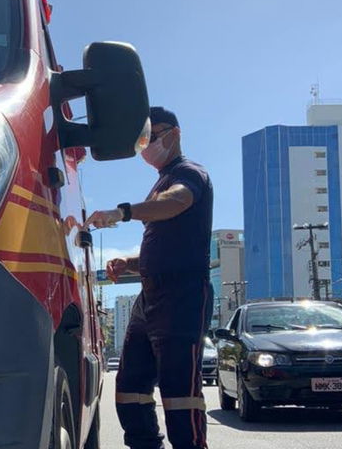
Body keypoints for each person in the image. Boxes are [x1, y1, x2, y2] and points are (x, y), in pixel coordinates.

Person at [84, 106, 214, 449]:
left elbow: (177, 202)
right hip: (149, 298)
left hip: (182, 295)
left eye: (152, 137)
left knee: (179, 395)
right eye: (142, 140)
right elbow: (166, 247)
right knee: (129, 389)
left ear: (174, 134)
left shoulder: (189, 173)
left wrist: (123, 212)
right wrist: (129, 263)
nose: (146, 146)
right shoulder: (161, 180)